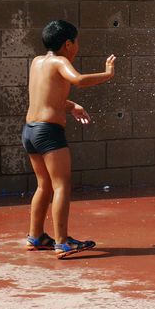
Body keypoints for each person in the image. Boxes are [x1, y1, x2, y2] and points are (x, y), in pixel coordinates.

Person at [23, 20, 115, 258]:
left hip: (30, 131)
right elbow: (78, 80)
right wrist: (107, 74)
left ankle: (36, 236)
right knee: (61, 185)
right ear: (68, 44)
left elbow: (45, 97)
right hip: (48, 133)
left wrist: (71, 105)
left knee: (43, 185)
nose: (77, 46)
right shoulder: (60, 61)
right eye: (77, 42)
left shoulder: (37, 62)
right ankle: (62, 242)